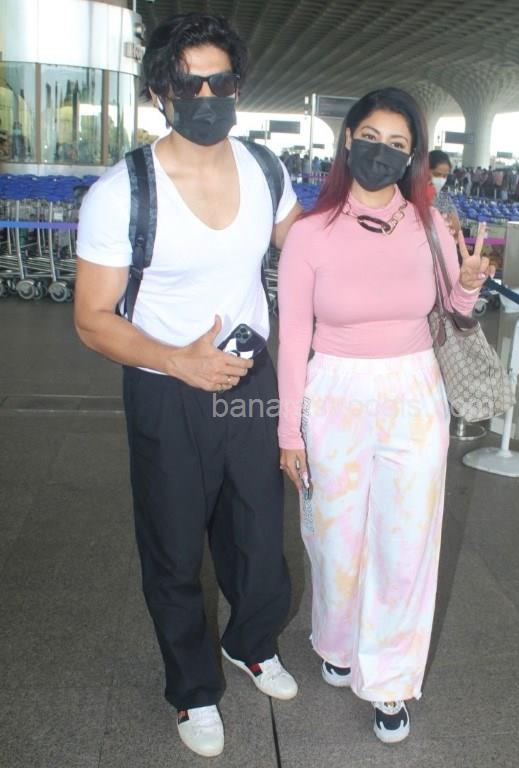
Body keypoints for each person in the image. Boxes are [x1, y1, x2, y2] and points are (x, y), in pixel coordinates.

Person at [73, 13, 301, 758]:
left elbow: (307, 252)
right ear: (159, 93)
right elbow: (92, 319)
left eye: (220, 82)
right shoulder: (122, 193)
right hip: (167, 389)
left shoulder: (265, 170)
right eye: (188, 83)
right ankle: (193, 688)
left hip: (250, 379)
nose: (206, 97)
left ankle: (251, 642)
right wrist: (178, 361)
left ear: (239, 88)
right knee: (174, 549)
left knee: (259, 536)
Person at [277, 87, 491, 744]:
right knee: (335, 535)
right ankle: (338, 638)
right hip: (333, 390)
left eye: (398, 144)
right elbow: (293, 336)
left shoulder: (430, 225)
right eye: (371, 137)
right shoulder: (309, 234)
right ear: (348, 139)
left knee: (407, 539)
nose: (382, 152)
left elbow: (454, 308)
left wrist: (469, 285)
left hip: (413, 390)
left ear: (412, 156)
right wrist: (288, 432)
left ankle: (391, 678)